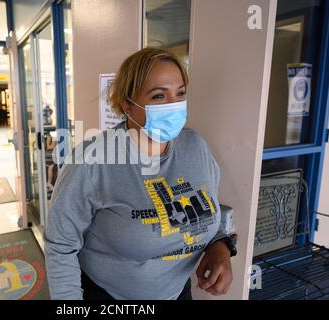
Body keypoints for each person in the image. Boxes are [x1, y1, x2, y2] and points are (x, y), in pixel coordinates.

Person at [44, 48, 235, 300]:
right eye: (158, 96)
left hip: (177, 292)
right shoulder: (93, 160)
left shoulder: (195, 146)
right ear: (127, 104)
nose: (173, 105)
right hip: (108, 296)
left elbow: (208, 207)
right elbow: (61, 244)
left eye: (180, 93)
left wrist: (220, 246)